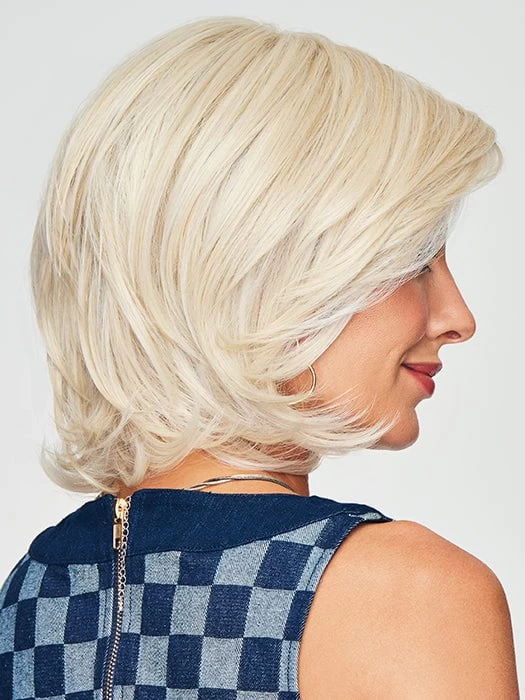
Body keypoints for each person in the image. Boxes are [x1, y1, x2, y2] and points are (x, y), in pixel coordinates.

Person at [0, 15, 519, 699]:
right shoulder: (408, 596)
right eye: (414, 260)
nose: (458, 318)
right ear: (263, 267)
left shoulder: (30, 595)